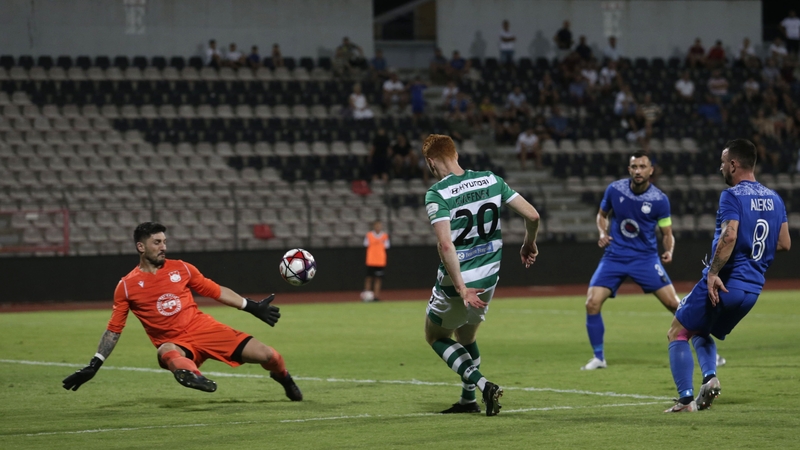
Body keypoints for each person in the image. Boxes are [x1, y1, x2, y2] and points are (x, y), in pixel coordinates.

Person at [62, 222, 303, 401]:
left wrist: (251, 307)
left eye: (164, 242)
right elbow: (114, 330)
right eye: (157, 242)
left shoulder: (182, 269)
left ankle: (283, 376)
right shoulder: (126, 286)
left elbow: (214, 290)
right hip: (175, 342)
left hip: (206, 329)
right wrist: (94, 364)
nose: (163, 247)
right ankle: (194, 377)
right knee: (166, 350)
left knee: (270, 356)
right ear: (140, 246)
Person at [664, 139, 790, 412]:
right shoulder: (775, 198)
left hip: (725, 283)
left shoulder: (731, 195)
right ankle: (709, 378)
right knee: (699, 330)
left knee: (677, 331)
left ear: (733, 164)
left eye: (723, 163)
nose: (720, 167)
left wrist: (713, 273)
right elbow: (784, 243)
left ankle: (685, 400)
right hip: (752, 291)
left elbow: (730, 233)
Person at [421, 134, 541, 416]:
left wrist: (462, 288)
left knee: (435, 335)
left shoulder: (437, 194)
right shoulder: (491, 180)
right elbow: (533, 216)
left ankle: (483, 385)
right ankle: (468, 400)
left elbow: (445, 244)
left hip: (458, 284)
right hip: (488, 280)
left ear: (430, 161)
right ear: (457, 154)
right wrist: (529, 242)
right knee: (466, 336)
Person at [580, 151, 727, 371]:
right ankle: (598, 357)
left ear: (651, 170)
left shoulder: (659, 200)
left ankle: (709, 352)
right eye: (634, 167)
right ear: (629, 170)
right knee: (592, 303)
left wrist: (669, 250)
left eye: (642, 167)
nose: (638, 171)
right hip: (615, 256)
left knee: (675, 305)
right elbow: (602, 215)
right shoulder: (615, 190)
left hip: (645, 258)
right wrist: (602, 233)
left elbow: (667, 232)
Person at [362, 220, 390, 302]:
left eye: (379, 226)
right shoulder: (369, 235)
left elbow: (386, 246)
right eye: (377, 225)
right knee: (369, 278)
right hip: (371, 260)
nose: (378, 227)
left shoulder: (385, 236)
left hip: (380, 261)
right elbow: (366, 245)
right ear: (374, 226)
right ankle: (367, 296)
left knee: (378, 279)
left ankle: (376, 297)